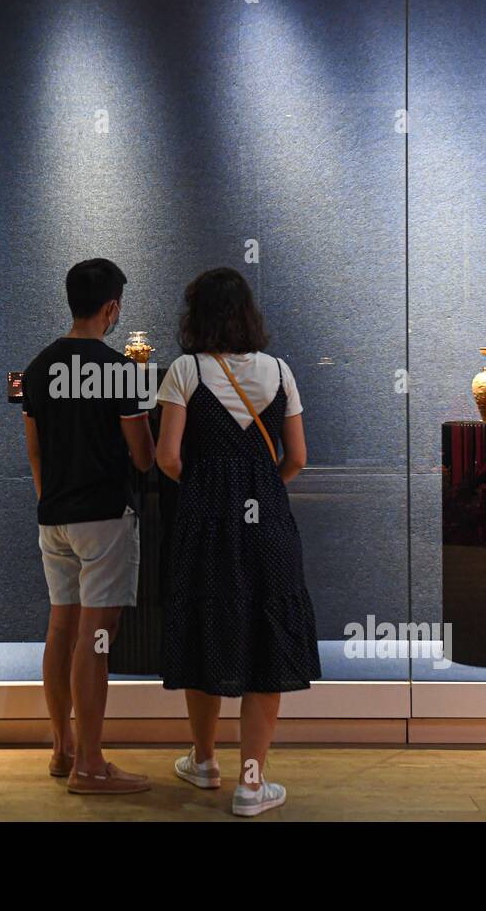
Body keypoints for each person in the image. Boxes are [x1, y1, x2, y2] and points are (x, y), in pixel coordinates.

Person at [154, 266, 321, 817]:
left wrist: (208, 489)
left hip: (204, 522)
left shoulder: (185, 370)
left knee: (207, 623)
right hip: (267, 520)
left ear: (196, 315)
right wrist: (261, 488)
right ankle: (251, 783)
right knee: (266, 637)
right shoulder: (280, 371)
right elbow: (297, 457)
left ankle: (204, 761)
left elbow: (167, 458)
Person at [22, 258, 156, 795]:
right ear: (111, 307)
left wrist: (52, 500)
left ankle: (63, 749)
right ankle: (91, 766)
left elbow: (34, 451)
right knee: (96, 639)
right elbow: (143, 456)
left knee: (62, 628)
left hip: (54, 517)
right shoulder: (121, 370)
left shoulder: (37, 368)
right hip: (102, 517)